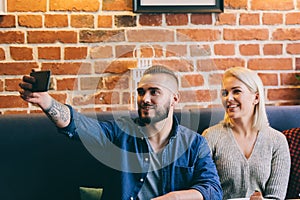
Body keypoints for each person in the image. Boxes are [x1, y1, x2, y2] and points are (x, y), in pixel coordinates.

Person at [19, 65, 223, 200]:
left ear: (174, 99)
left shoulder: (195, 143)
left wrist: (174, 197)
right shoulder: (119, 133)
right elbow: (78, 125)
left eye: (154, 92)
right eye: (141, 92)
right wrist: (46, 102)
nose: (145, 98)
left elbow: (213, 190)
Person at [202, 67, 291, 200]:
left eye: (236, 91)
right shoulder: (211, 136)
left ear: (256, 97)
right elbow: (204, 188)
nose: (228, 98)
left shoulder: (277, 141)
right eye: (225, 93)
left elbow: (276, 197)